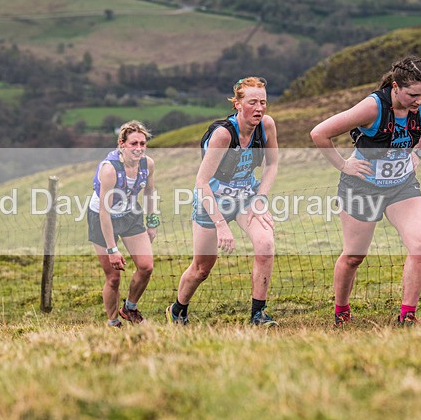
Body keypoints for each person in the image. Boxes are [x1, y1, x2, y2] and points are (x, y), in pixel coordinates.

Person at [310, 55, 421, 326]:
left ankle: (407, 316)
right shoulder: (371, 108)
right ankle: (342, 312)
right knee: (354, 256)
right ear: (395, 87)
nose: (419, 101)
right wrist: (344, 166)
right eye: (413, 95)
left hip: (401, 186)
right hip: (362, 187)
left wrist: (419, 153)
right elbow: (319, 133)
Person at [168, 76, 279, 326]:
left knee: (265, 245)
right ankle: (178, 309)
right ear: (238, 104)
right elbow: (201, 182)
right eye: (252, 102)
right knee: (202, 268)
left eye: (263, 102)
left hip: (245, 197)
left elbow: (272, 164)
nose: (259, 108)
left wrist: (260, 199)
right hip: (211, 201)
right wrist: (220, 224)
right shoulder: (222, 135)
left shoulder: (267, 126)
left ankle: (257, 315)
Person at [88, 121, 158, 328]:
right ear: (122, 144)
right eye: (133, 143)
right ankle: (113, 322)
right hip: (101, 218)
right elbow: (104, 212)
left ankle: (129, 308)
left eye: (142, 144)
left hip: (130, 214)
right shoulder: (110, 170)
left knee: (146, 267)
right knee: (114, 278)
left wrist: (151, 222)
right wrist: (112, 249)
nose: (138, 148)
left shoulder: (148, 164)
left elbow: (149, 192)